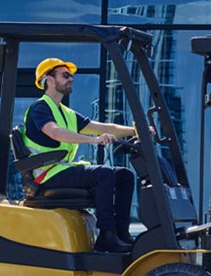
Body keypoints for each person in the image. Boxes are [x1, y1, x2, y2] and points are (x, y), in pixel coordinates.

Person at [21, 57, 139, 254]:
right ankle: (106, 236)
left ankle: (120, 233)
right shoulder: (40, 108)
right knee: (103, 174)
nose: (71, 79)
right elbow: (55, 132)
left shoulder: (66, 113)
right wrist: (93, 140)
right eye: (65, 75)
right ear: (49, 79)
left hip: (62, 171)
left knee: (124, 175)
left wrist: (136, 130)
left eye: (71, 76)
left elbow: (104, 127)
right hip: (46, 175)